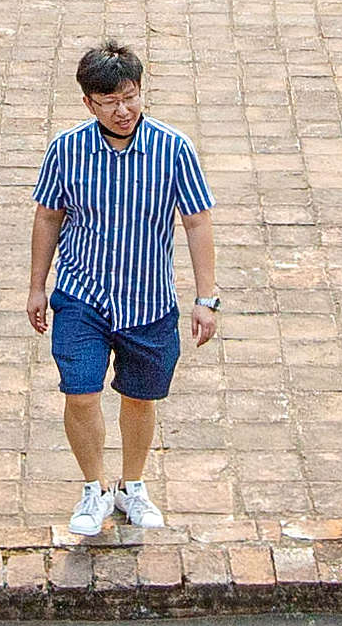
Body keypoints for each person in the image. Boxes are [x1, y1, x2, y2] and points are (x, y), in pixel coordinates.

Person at [24, 39, 217, 544]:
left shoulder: (173, 149)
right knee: (80, 392)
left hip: (149, 302)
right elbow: (48, 216)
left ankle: (132, 485)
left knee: (139, 397)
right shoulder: (66, 150)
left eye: (130, 97)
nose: (122, 109)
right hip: (81, 296)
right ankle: (94, 488)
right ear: (89, 103)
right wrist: (36, 287)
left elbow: (197, 222)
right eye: (108, 101)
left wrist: (205, 297)